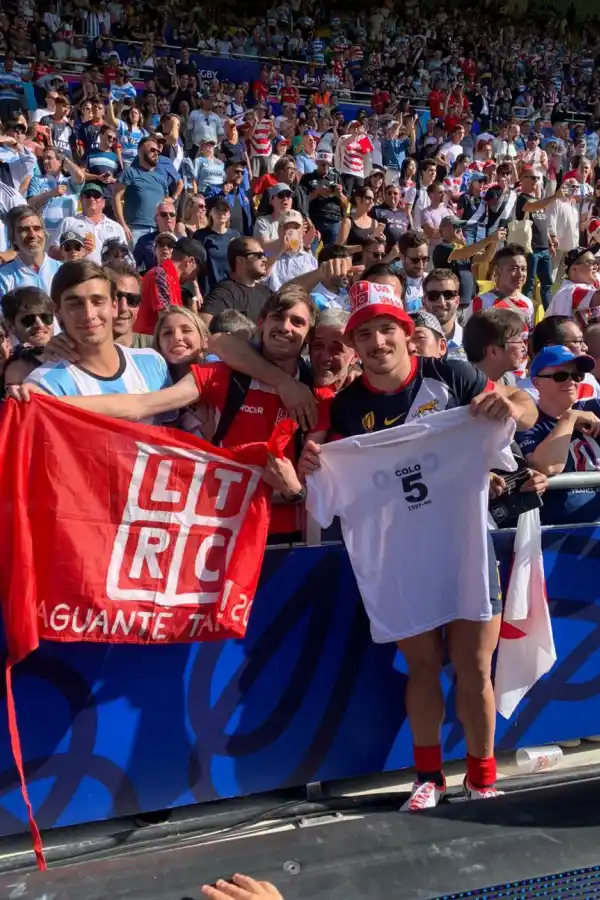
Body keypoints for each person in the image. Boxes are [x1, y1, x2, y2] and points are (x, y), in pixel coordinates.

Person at [297, 280, 537, 810]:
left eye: (387, 330)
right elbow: (322, 490)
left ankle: (482, 777)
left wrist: (507, 408)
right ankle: (428, 775)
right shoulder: (344, 409)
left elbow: (523, 404)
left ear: (408, 335)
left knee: (475, 667)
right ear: (354, 346)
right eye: (365, 335)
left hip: (466, 551)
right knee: (423, 667)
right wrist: (313, 464)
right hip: (398, 561)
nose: (377, 343)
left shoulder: (450, 375)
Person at [21, 260, 171, 401]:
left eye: (97, 301)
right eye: (75, 304)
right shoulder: (44, 385)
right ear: (58, 312)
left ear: (113, 306)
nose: (89, 314)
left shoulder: (153, 361)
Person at [517, 346, 600, 526]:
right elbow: (547, 466)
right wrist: (569, 418)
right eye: (560, 376)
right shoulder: (529, 422)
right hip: (563, 534)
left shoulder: (594, 409)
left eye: (576, 376)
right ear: (536, 382)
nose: (571, 381)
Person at [135, 237, 206, 335]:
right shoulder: (160, 274)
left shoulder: (171, 278)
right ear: (189, 261)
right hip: (147, 343)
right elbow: (168, 318)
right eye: (197, 271)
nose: (194, 277)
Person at [515, 167, 564, 309]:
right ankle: (526, 314)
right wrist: (554, 197)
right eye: (532, 178)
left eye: (537, 178)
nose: (536, 181)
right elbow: (531, 207)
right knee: (528, 284)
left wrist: (550, 242)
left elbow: (542, 222)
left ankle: (549, 314)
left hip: (543, 248)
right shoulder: (522, 198)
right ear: (523, 179)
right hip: (531, 249)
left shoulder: (538, 200)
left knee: (547, 283)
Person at [48, 182, 127, 265]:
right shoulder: (68, 222)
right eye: (87, 195)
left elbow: (125, 256)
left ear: (103, 203)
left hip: (109, 274)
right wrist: (73, 251)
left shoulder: (116, 227)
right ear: (81, 201)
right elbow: (51, 251)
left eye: (96, 196)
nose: (92, 199)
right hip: (79, 273)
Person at [113, 136, 171, 247]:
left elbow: (166, 205)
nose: (156, 153)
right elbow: (117, 197)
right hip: (135, 229)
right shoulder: (130, 172)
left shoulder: (162, 179)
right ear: (140, 151)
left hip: (157, 230)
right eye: (152, 150)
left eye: (158, 151)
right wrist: (122, 225)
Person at [201, 237, 272, 326]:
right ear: (240, 260)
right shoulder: (225, 292)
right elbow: (204, 322)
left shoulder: (266, 293)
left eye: (264, 254)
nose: (264, 259)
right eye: (258, 255)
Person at [466, 244, 534, 326]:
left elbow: (529, 336)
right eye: (514, 269)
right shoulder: (481, 302)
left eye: (523, 269)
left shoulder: (528, 303)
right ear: (498, 271)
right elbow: (469, 336)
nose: (520, 274)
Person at [0, 207, 62, 297]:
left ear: (44, 234)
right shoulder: (4, 276)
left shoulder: (61, 271)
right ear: (13, 238)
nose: (32, 235)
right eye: (24, 230)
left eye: (37, 228)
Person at [463, 308, 528, 385]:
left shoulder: (509, 381)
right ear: (493, 351)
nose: (524, 348)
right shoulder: (459, 389)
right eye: (518, 341)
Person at [27, 148, 86, 232]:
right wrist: (51, 193)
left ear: (59, 161)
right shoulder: (37, 180)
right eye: (44, 158)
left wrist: (66, 161)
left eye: (49, 158)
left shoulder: (69, 181)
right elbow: (30, 203)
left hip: (70, 232)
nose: (45, 161)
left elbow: (80, 176)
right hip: (47, 231)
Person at [300, 150, 347, 246]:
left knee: (330, 252)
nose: (325, 167)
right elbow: (301, 201)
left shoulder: (336, 178)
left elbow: (346, 204)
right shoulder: (307, 178)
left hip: (334, 220)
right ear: (316, 163)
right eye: (322, 164)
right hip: (314, 220)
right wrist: (317, 193)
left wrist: (340, 195)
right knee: (312, 249)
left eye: (328, 164)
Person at [195, 198, 240, 295]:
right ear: (210, 212)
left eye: (225, 210)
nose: (222, 213)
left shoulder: (235, 235)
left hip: (231, 290)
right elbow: (194, 266)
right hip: (208, 290)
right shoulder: (200, 236)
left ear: (229, 214)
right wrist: (196, 291)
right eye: (218, 209)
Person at [265, 211, 318, 292]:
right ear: (279, 231)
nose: (291, 231)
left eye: (295, 227)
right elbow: (261, 278)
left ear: (302, 232)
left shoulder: (310, 260)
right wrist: (280, 250)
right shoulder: (269, 257)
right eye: (287, 227)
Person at [546, 247, 600, 323]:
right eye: (591, 262)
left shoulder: (586, 284)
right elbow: (597, 298)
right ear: (574, 269)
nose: (596, 267)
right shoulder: (569, 290)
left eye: (596, 263)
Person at [422, 269, 464, 358]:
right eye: (433, 296)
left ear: (457, 301)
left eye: (448, 295)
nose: (441, 302)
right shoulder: (413, 343)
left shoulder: (472, 343)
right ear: (423, 301)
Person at [133, 198, 178, 274]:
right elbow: (134, 266)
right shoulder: (144, 241)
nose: (168, 217)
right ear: (156, 219)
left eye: (172, 214)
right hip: (152, 281)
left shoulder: (183, 241)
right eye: (164, 214)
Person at [397, 230, 429, 313]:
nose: (421, 265)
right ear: (402, 257)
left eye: (425, 259)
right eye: (415, 260)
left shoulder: (432, 280)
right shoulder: (394, 284)